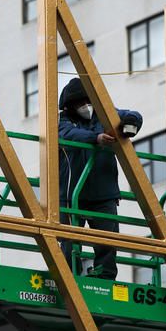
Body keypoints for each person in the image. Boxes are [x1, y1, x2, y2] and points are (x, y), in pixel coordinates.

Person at [58, 78, 143, 280]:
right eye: (79, 103)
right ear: (69, 106)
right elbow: (69, 134)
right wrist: (96, 138)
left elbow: (131, 116)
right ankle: (68, 278)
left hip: (103, 194)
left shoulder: (104, 114)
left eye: (87, 100)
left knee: (107, 241)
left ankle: (105, 277)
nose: (85, 106)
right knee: (69, 243)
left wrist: (130, 122)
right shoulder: (62, 122)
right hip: (72, 196)